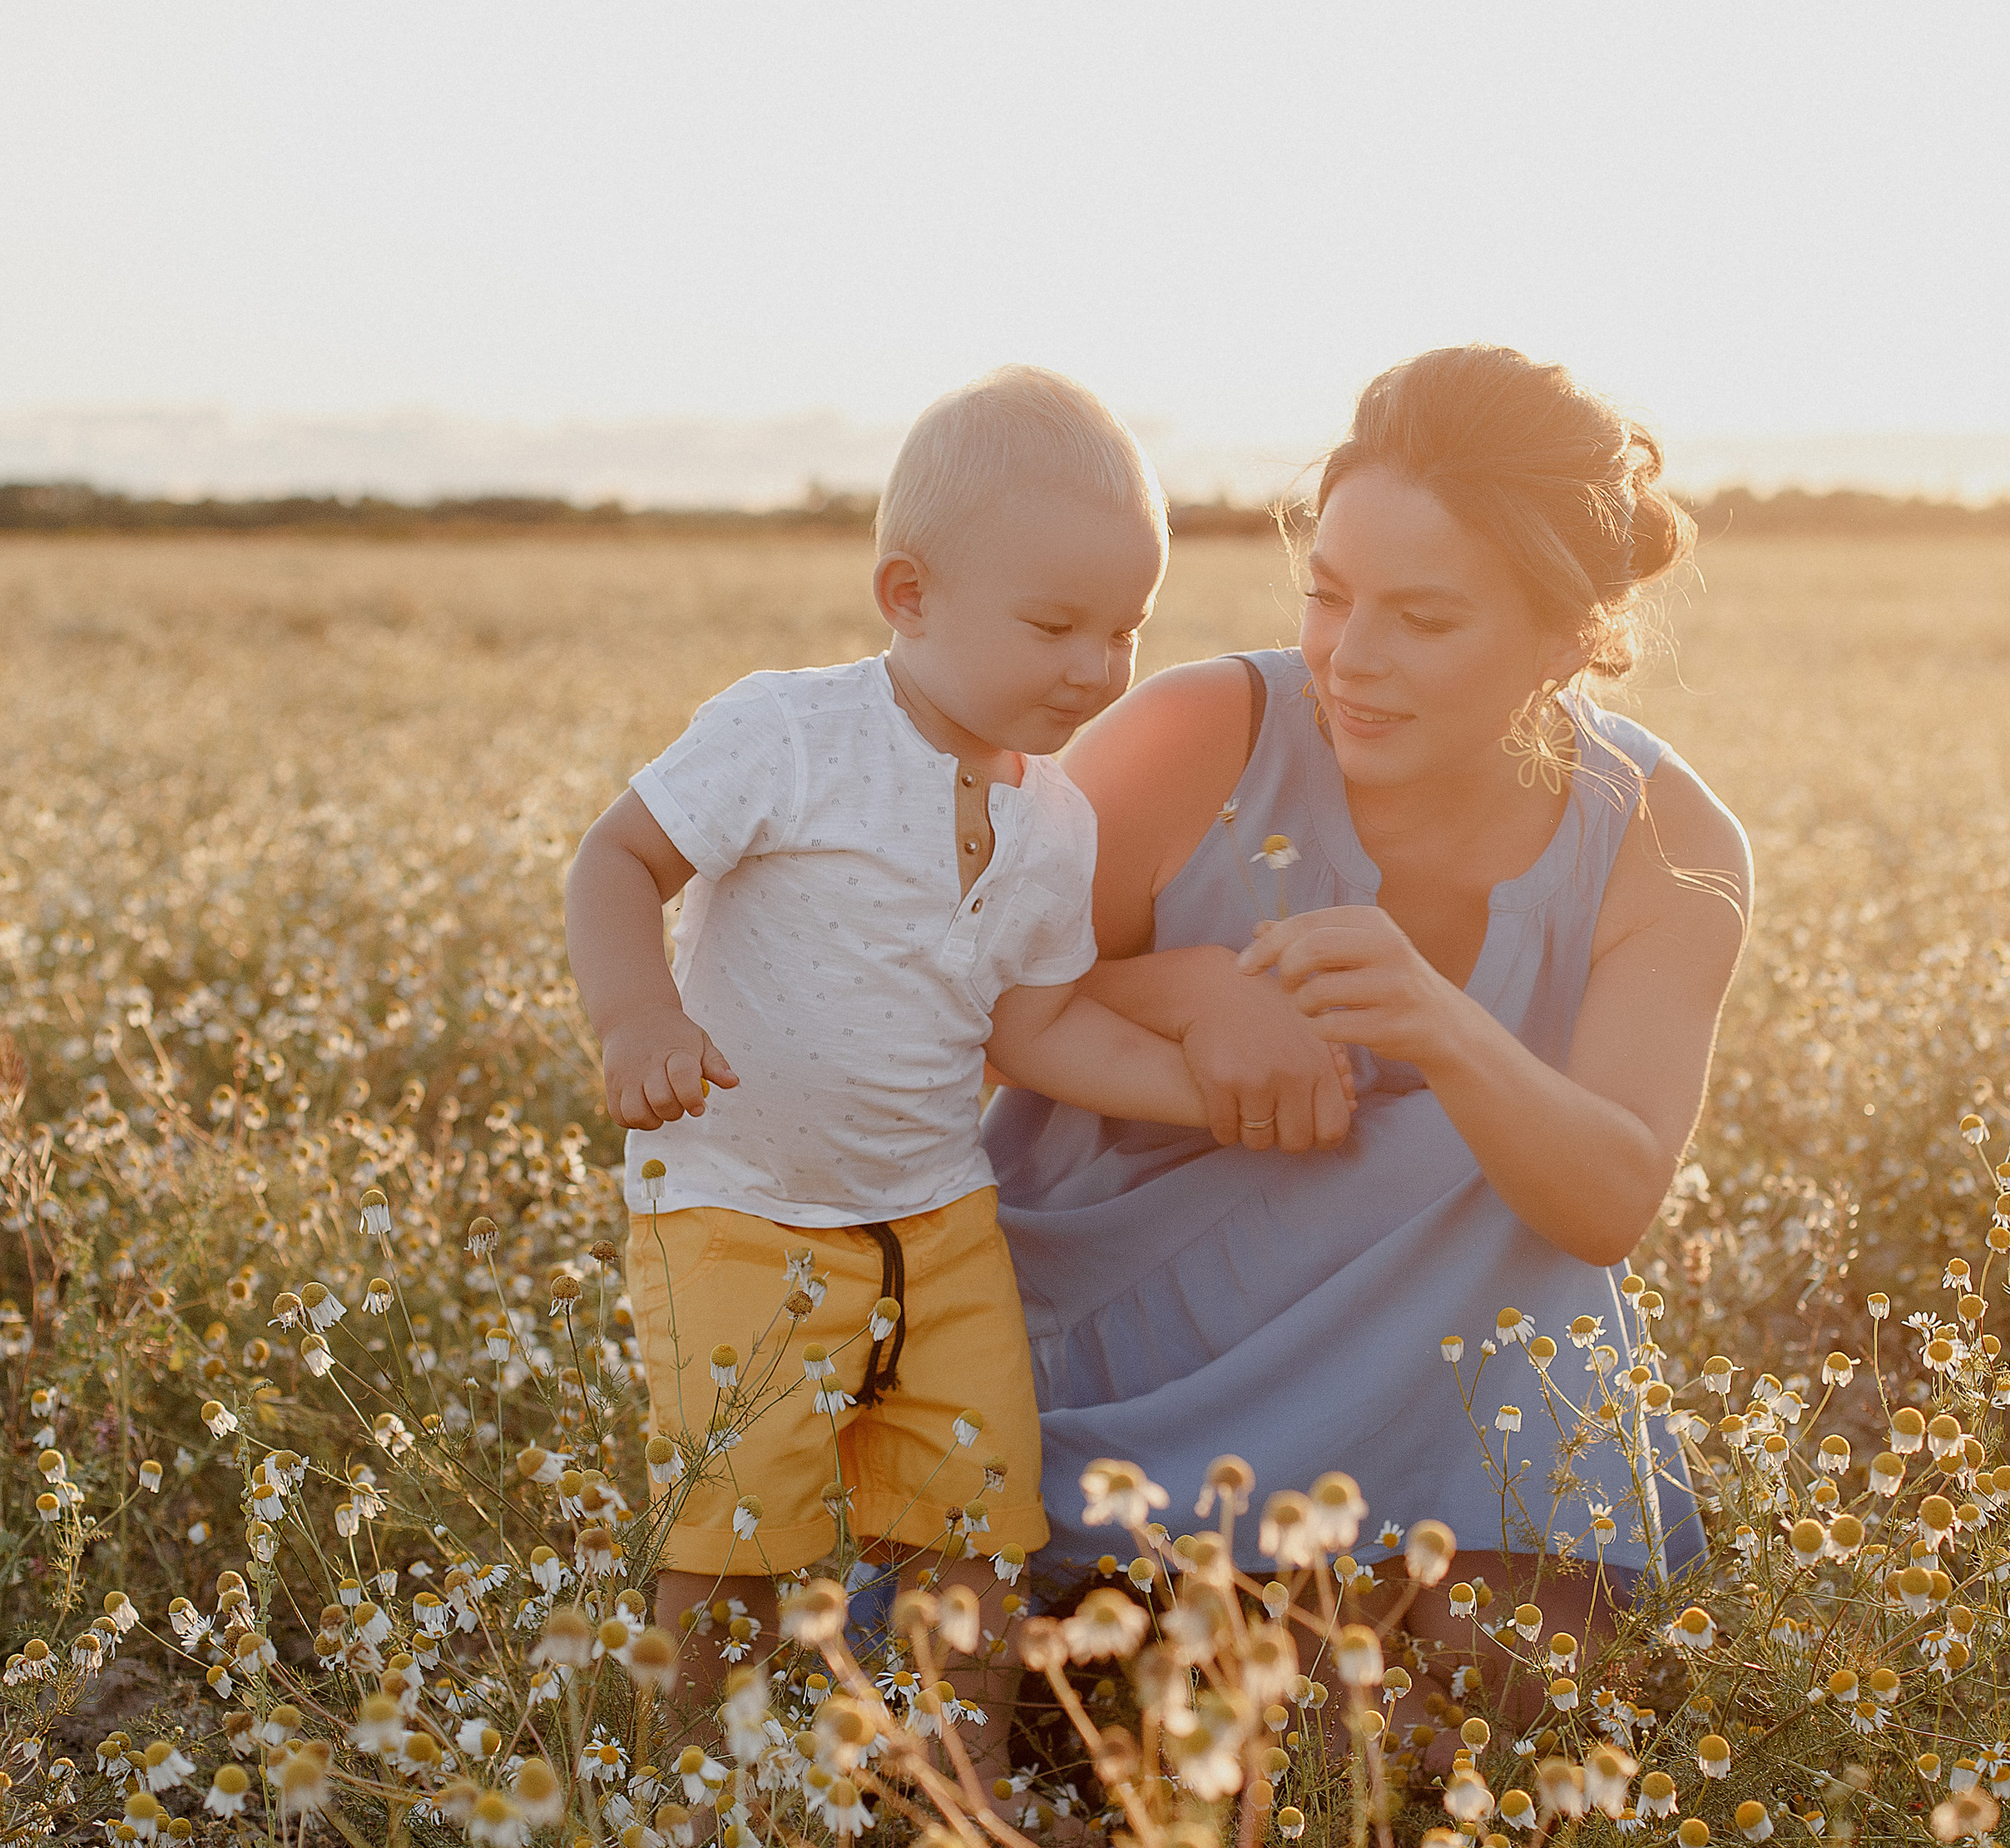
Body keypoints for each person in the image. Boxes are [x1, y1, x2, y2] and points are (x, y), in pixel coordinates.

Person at [984, 344, 1752, 1718]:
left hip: (1431, 1353)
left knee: (1508, 1709)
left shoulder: (1666, 843)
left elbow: (1609, 1201)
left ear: (1566, 634)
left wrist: (1441, 1027)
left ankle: (1300, 1636)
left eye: (1426, 618)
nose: (1354, 660)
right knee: (1183, 1712)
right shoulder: (1197, 738)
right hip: (1130, 1321)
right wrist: (1197, 986)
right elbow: (956, 998)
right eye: (1329, 597)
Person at [564, 368, 1219, 1760]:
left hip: (937, 1217)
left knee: (975, 1523)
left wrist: (1210, 1100)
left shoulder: (1056, 825)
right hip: (737, 1205)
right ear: (907, 594)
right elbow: (619, 858)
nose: (1099, 669)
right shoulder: (789, 732)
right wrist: (637, 1018)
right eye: (1057, 626)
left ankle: (963, 1796)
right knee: (737, 1530)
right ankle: (684, 1791)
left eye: (1127, 631)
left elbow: (1036, 1031)